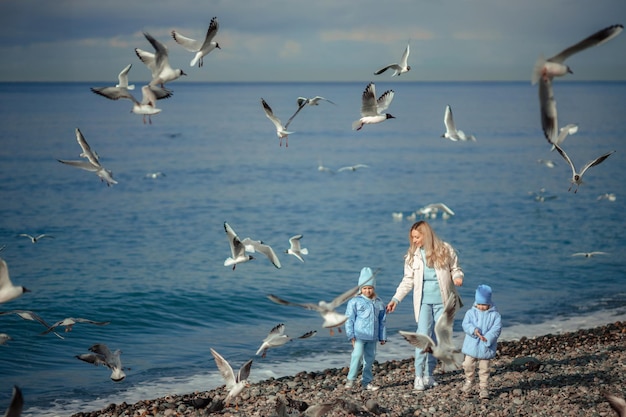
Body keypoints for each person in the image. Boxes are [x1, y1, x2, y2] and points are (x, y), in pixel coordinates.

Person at [386, 220, 464, 391]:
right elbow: (408, 281)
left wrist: (458, 277)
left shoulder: (445, 249)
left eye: (417, 237)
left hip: (443, 303)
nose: (414, 241)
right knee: (422, 338)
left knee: (437, 340)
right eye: (412, 238)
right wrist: (395, 299)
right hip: (423, 303)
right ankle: (418, 377)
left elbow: (455, 268)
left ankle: (429, 375)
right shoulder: (412, 256)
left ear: (426, 235)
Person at [344, 266, 387, 391]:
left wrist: (382, 336)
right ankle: (350, 380)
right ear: (360, 289)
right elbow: (349, 319)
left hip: (372, 337)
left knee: (369, 360)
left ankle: (366, 382)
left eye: (369, 288)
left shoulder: (379, 302)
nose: (367, 291)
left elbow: (382, 321)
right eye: (364, 288)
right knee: (356, 356)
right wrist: (351, 335)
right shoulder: (355, 302)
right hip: (359, 336)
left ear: (373, 288)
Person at [461, 284, 502, 400]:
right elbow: (465, 324)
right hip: (472, 345)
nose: (481, 307)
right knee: (467, 364)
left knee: (484, 369)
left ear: (489, 302)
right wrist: (474, 330)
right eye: (479, 304)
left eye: (484, 304)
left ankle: (484, 387)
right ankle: (469, 380)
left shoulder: (495, 315)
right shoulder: (470, 313)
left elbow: (496, 329)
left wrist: (488, 338)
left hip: (486, 346)